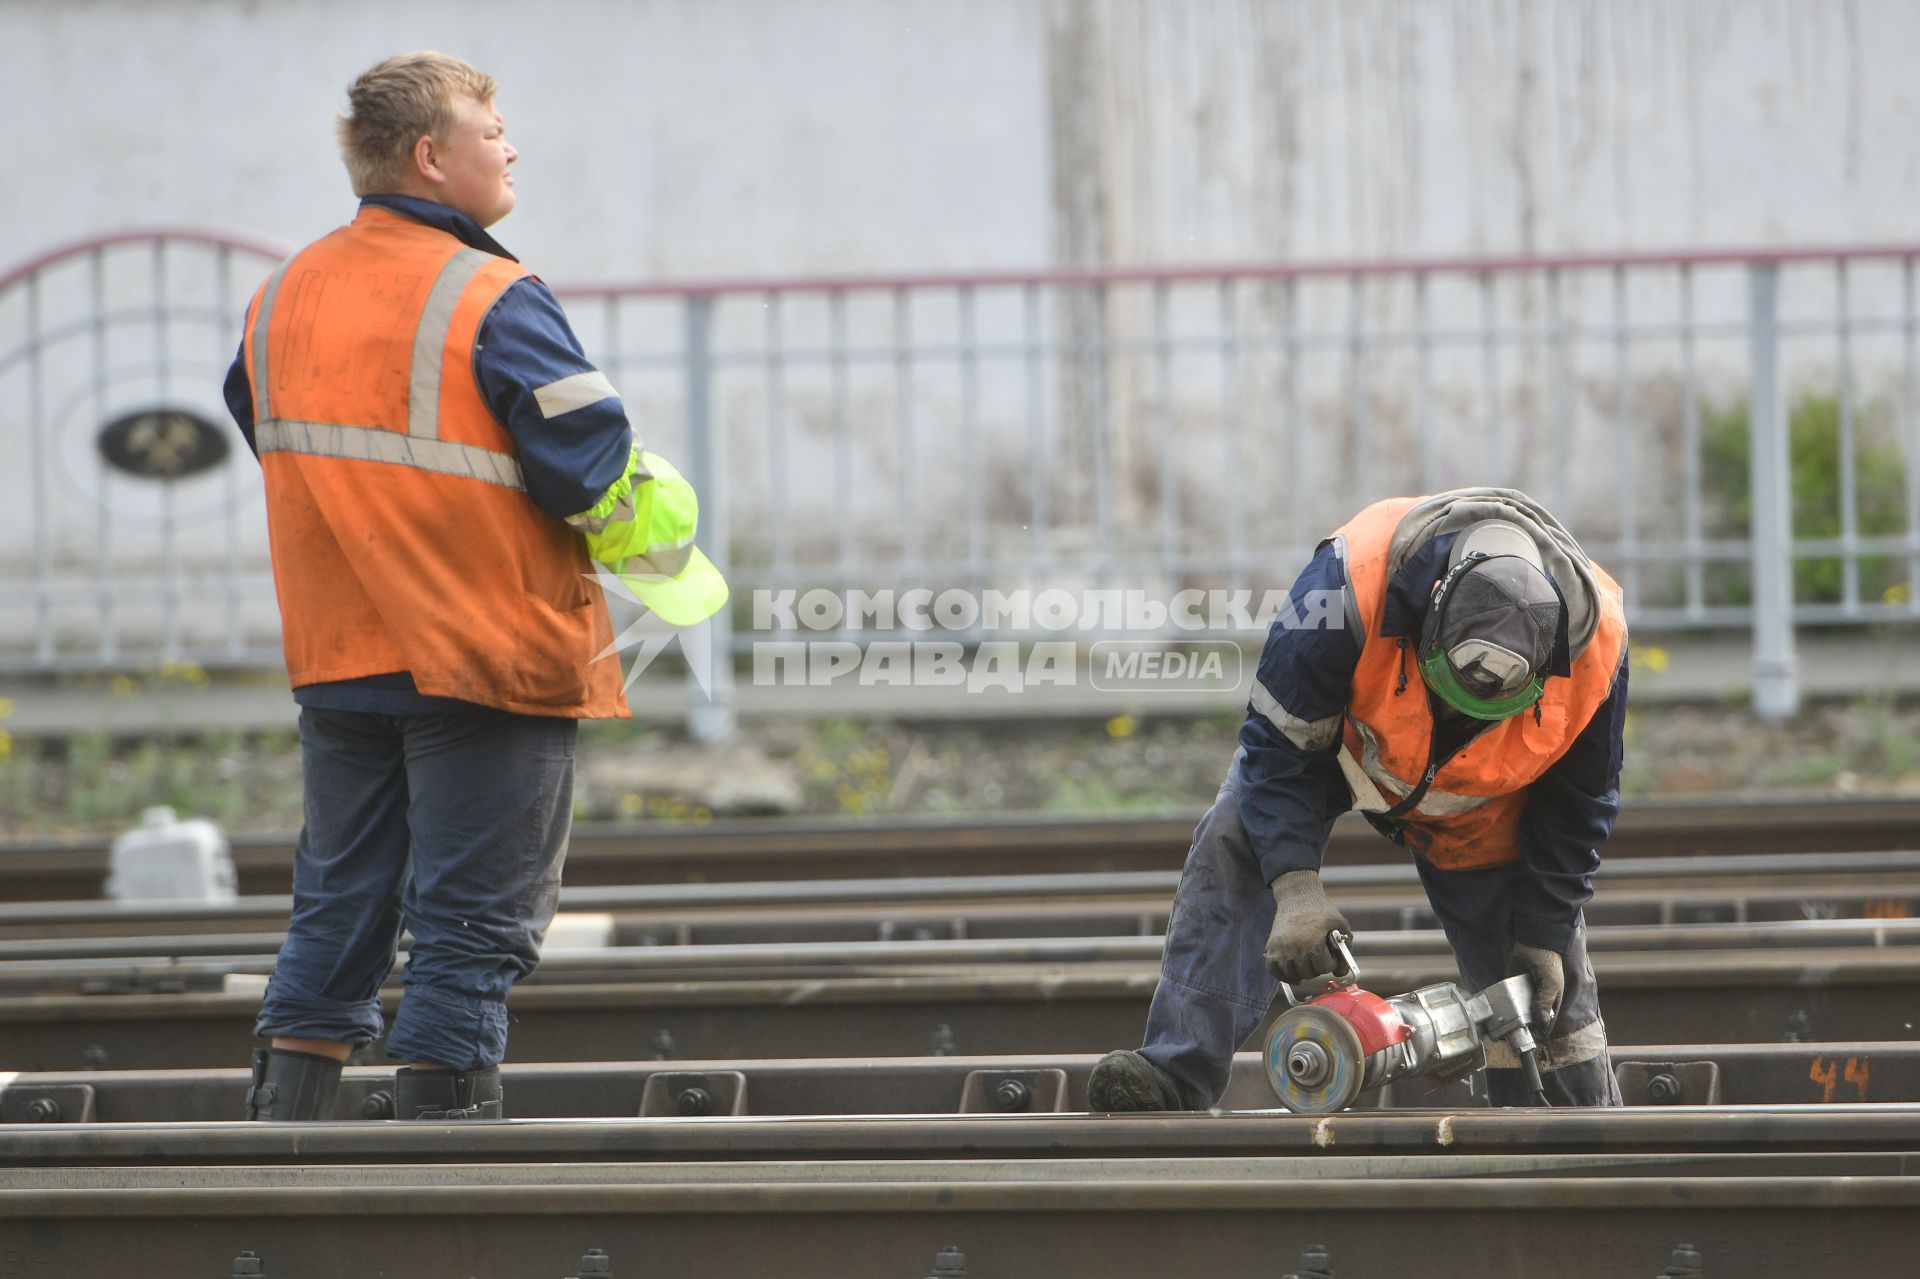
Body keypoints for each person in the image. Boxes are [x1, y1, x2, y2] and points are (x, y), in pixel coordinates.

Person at [222, 52, 726, 1121]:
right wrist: (679, 562)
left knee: (338, 904)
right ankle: (442, 1140)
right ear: (430, 155)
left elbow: (279, 430)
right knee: (471, 923)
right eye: (491, 126)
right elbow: (593, 467)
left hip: (343, 655)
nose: (510, 144)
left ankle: (282, 1130)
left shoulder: (284, 293)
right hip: (486, 653)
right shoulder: (492, 293)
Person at [1088, 487, 1629, 1111]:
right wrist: (1294, 889)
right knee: (1238, 836)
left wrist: (1545, 926)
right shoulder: (1347, 583)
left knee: (1541, 988)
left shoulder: (1598, 649)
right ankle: (1173, 1077)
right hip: (1337, 747)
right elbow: (1275, 746)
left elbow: (1579, 806)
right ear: (1429, 613)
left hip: (1483, 801)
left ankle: (1568, 1139)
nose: (1457, 711)